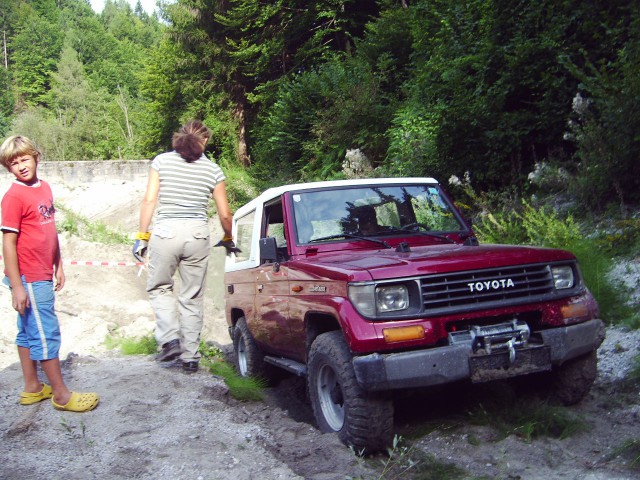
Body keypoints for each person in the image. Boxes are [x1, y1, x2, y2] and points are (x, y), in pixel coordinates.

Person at [0, 135, 99, 412]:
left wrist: (59, 262)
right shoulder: (13, 197)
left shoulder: (44, 188)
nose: (20, 166)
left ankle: (32, 387)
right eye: (13, 163)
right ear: (8, 168)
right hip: (29, 277)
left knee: (27, 331)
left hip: (43, 270)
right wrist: (19, 286)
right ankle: (61, 395)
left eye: (24, 159)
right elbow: (8, 242)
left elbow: (49, 230)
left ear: (36, 157)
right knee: (46, 332)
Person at [133, 120, 239, 374]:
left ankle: (170, 340)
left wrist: (142, 235)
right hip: (198, 234)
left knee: (160, 287)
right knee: (192, 296)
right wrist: (228, 238)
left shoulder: (161, 162)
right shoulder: (213, 170)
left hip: (166, 231)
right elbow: (225, 214)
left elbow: (149, 200)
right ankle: (191, 357)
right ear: (205, 142)